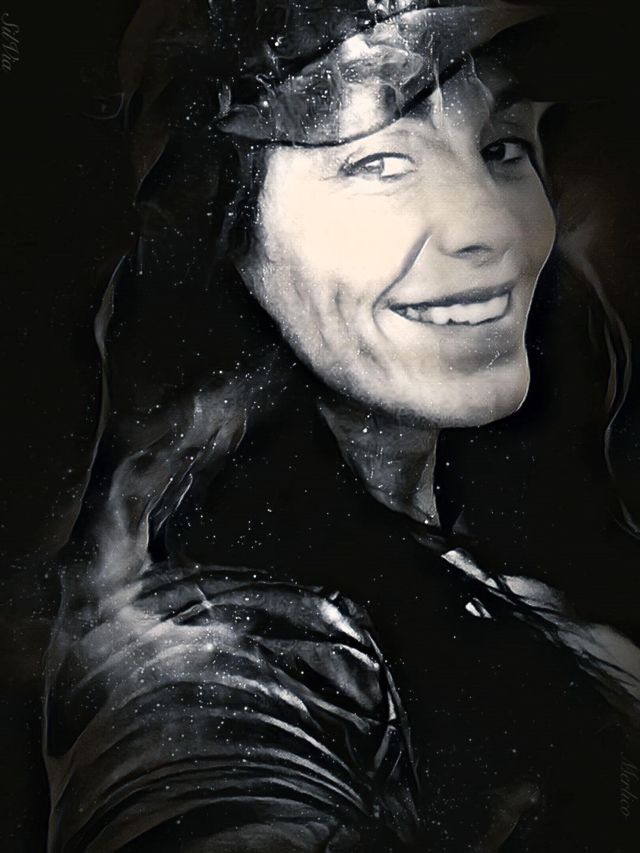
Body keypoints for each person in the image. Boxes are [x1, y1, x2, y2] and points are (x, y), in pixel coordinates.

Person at [43, 1, 640, 850]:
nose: (489, 227)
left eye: (502, 148)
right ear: (225, 231)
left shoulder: (530, 530)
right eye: (377, 161)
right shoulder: (214, 657)